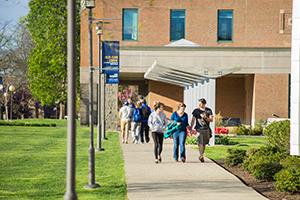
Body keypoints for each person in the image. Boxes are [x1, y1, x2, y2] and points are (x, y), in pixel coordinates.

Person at [190, 98, 213, 162]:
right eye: (199, 103)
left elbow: (211, 120)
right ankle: (201, 155)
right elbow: (193, 119)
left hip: (206, 129)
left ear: (204, 104)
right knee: (200, 142)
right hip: (198, 129)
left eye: (201, 103)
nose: (199, 105)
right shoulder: (196, 111)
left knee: (204, 143)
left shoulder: (208, 110)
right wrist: (191, 128)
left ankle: (201, 154)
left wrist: (205, 117)